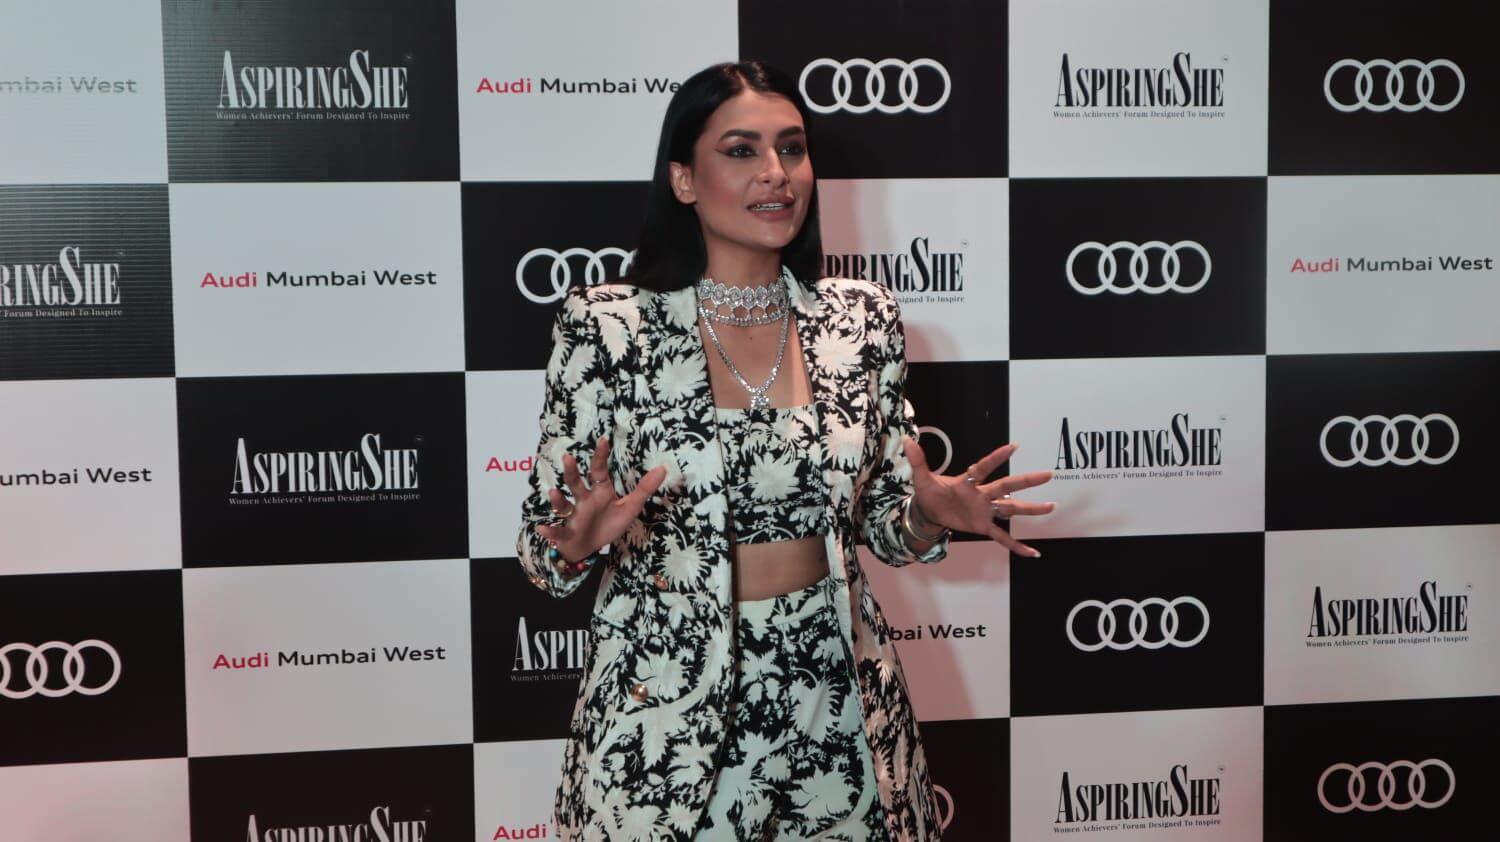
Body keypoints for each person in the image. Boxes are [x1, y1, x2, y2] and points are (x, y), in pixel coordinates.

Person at [516, 60, 1055, 841]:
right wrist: (572, 544)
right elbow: (541, 553)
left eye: (792, 149)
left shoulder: (860, 320)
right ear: (683, 179)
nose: (777, 173)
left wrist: (928, 515)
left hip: (837, 695)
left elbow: (881, 526)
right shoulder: (608, 327)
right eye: (741, 150)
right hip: (666, 710)